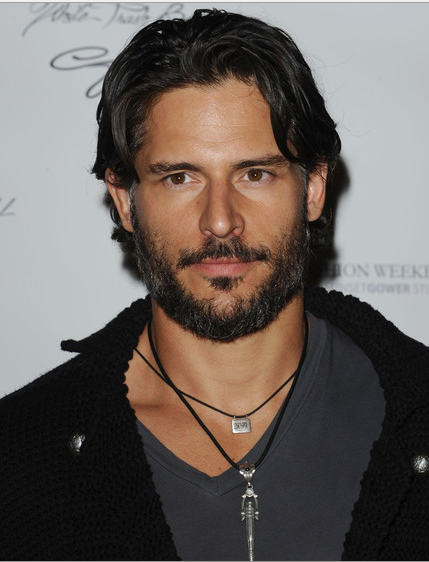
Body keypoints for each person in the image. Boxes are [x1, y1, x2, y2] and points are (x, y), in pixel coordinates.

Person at [1, 8, 429, 561]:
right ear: (125, 200)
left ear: (313, 188)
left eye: (255, 173)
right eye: (180, 177)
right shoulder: (20, 453)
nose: (221, 220)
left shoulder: (416, 407)